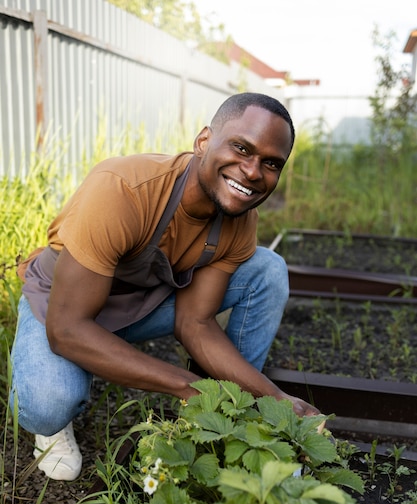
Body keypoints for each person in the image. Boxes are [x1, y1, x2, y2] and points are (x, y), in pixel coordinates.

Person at [9, 92, 321, 481]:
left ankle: (227, 414)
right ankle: (58, 424)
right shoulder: (123, 188)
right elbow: (67, 329)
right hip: (64, 306)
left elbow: (195, 323)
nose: (253, 172)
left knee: (267, 269)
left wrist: (275, 399)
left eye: (271, 163)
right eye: (241, 148)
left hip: (143, 300)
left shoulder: (239, 217)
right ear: (204, 141)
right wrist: (187, 385)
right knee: (46, 405)